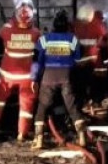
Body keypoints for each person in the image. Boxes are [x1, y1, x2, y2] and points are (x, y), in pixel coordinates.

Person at [31, 11, 88, 148]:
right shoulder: (73, 39)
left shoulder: (44, 39)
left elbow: (37, 62)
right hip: (66, 76)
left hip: (48, 76)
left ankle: (38, 140)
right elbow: (78, 60)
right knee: (72, 106)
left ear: (54, 25)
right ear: (67, 26)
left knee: (42, 107)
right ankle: (82, 138)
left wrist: (34, 79)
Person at [0, 0, 42, 142]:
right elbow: (38, 56)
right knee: (27, 104)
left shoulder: (6, 30)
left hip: (7, 75)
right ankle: (22, 133)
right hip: (27, 77)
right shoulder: (36, 33)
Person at [72, 9, 108, 105]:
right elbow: (102, 43)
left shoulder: (79, 25)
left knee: (84, 82)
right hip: (95, 60)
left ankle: (85, 101)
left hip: (82, 60)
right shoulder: (98, 25)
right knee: (96, 81)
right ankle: (95, 100)